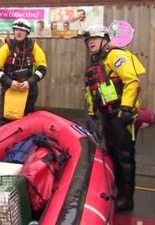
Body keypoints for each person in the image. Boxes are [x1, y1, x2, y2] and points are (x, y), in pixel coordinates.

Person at [83, 25, 146, 211]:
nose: (90, 42)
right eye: (88, 40)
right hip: (107, 116)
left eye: (94, 38)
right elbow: (91, 90)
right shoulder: (97, 60)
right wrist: (91, 113)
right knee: (112, 155)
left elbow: (131, 81)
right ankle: (117, 191)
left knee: (124, 156)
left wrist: (126, 109)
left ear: (105, 39)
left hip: (120, 114)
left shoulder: (116, 56)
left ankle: (127, 200)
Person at [0, 18, 47, 123]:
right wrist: (9, 82)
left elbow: (42, 68)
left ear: (27, 32)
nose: (18, 32)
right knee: (7, 121)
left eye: (22, 30)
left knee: (27, 121)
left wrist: (29, 82)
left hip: (29, 90)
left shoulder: (34, 47)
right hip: (10, 89)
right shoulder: (7, 47)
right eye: (16, 29)